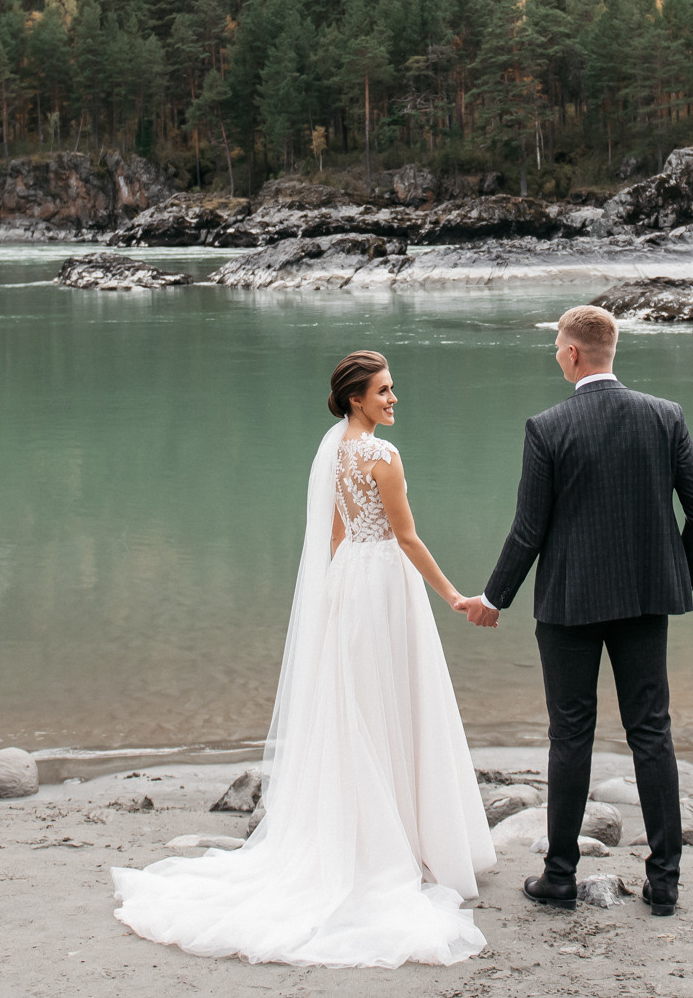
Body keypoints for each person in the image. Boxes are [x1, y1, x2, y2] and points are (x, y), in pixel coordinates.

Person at [111, 350, 496, 967]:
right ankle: (404, 843)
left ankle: (363, 834)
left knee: (356, 707)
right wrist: (453, 597)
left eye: (393, 389)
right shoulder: (383, 457)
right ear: (355, 398)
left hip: (348, 583)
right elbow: (405, 536)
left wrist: (331, 597)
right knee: (393, 700)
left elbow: (337, 535)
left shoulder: (332, 452)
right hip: (383, 585)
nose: (394, 399)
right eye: (384, 391)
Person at [466, 304, 693, 917]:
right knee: (651, 733)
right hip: (643, 601)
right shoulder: (664, 416)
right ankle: (664, 883)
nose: (556, 353)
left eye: (558, 345)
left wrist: (493, 598)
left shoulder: (547, 427)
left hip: (569, 606)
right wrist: (671, 580)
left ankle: (560, 877)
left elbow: (529, 531)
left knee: (571, 735)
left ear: (575, 353)